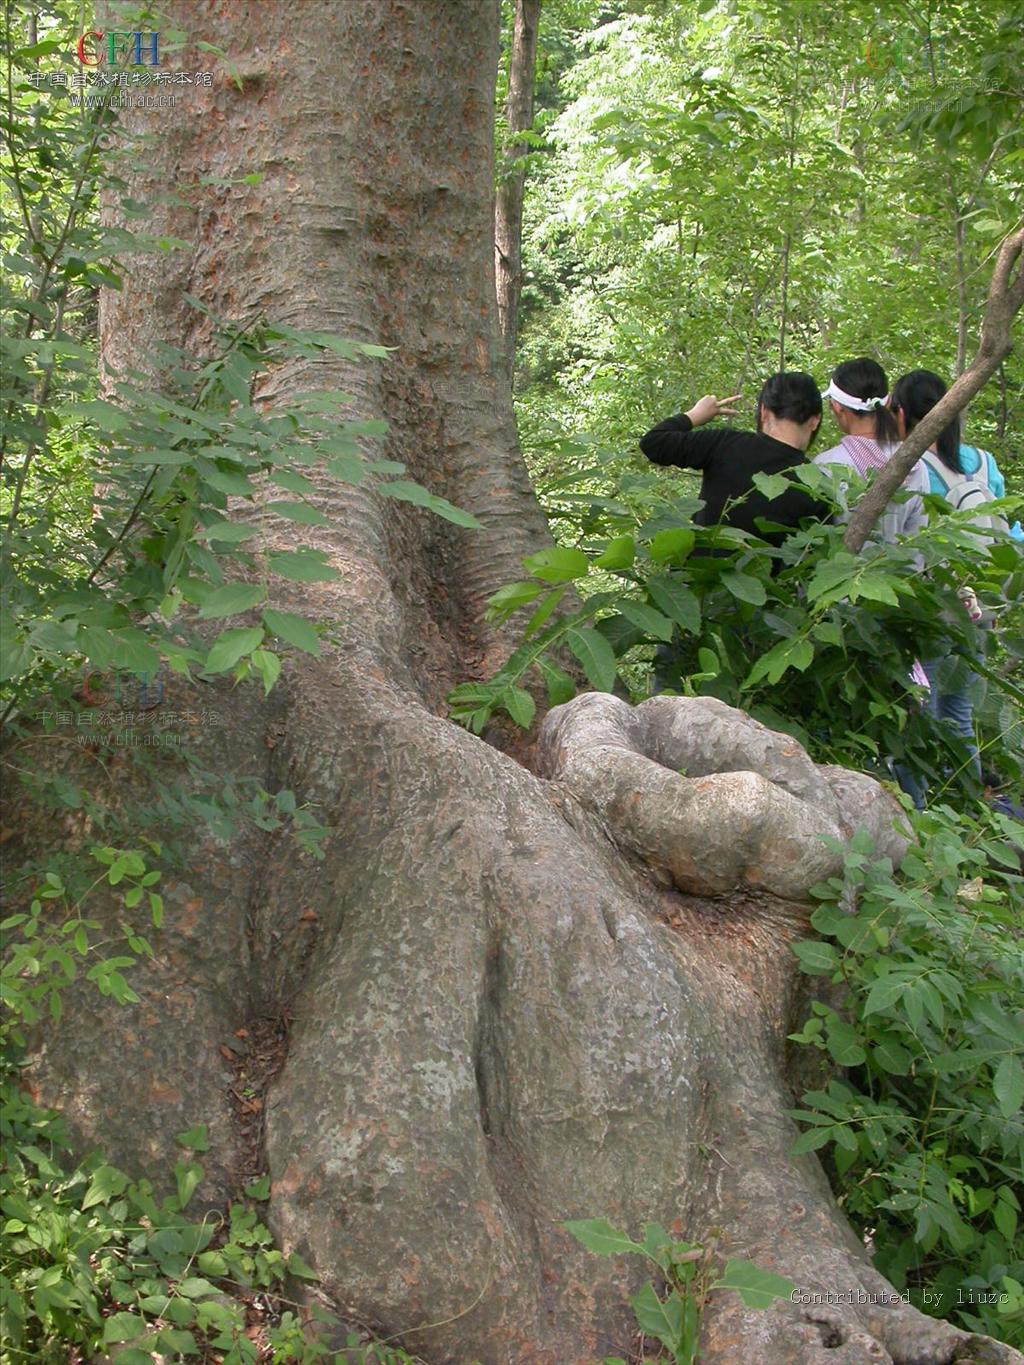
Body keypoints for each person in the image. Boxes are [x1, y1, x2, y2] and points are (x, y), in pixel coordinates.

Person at [889, 368, 1008, 788]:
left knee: (918, 710)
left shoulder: (911, 465)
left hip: (935, 607)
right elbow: (1005, 531)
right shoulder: (985, 461)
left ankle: (919, 812)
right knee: (959, 713)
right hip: (983, 605)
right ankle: (969, 805)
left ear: (899, 412)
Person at [639, 371, 829, 544]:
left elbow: (653, 444)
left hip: (695, 576)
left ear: (763, 412)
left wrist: (694, 415)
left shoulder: (724, 443)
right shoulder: (818, 486)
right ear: (815, 420)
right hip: (760, 581)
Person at [813, 357, 929, 541]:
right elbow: (917, 538)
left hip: (844, 569)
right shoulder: (915, 464)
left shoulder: (825, 465)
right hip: (900, 569)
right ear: (888, 401)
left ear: (836, 406)